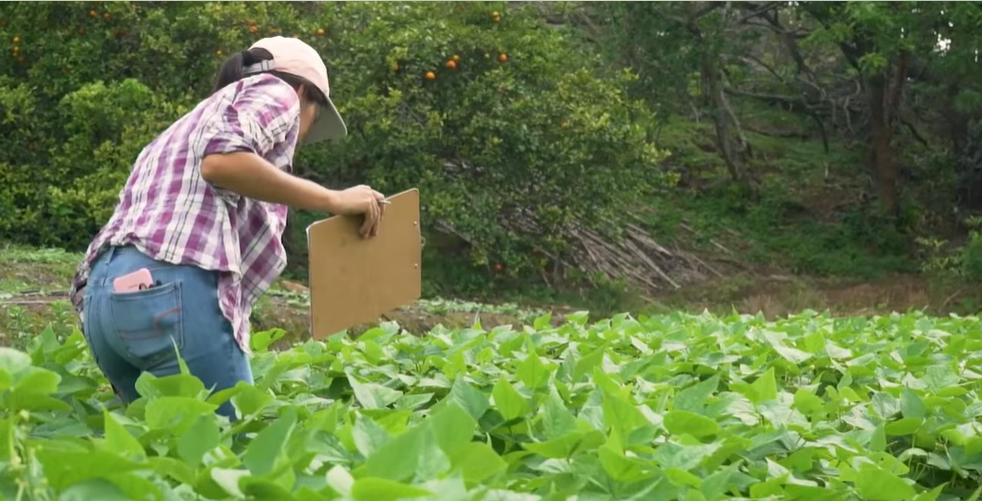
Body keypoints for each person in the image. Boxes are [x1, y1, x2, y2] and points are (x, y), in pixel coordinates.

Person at [68, 36, 385, 420]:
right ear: (305, 93)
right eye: (313, 120)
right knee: (227, 455)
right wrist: (334, 200)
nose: (302, 137)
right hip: (170, 290)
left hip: (104, 302)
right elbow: (222, 162)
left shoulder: (183, 127)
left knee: (158, 456)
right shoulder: (279, 92)